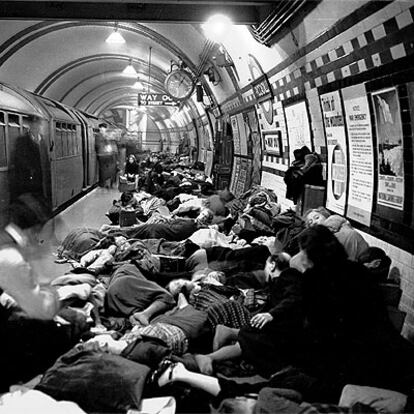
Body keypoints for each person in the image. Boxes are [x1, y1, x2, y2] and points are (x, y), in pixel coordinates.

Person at [193, 253, 303, 377]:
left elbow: (293, 298)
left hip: (278, 325)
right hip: (278, 326)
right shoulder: (279, 282)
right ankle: (212, 354)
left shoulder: (289, 276)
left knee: (253, 341)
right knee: (254, 342)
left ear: (272, 265)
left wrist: (271, 314)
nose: (265, 271)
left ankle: (222, 342)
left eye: (266, 266)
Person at [303, 207, 369, 261]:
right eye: (310, 223)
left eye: (317, 218)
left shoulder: (344, 231)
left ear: (326, 216)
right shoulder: (320, 240)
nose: (314, 222)